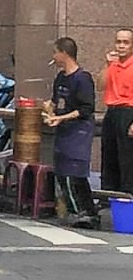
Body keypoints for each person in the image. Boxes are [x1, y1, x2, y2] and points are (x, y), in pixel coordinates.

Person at [43, 37, 99, 229]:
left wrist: (63, 117)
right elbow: (55, 102)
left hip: (79, 130)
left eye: (55, 52)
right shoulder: (60, 77)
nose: (54, 56)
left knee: (75, 172)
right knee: (61, 171)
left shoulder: (83, 78)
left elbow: (86, 109)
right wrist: (49, 111)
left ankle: (86, 212)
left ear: (64, 53)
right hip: (64, 130)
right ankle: (76, 210)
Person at [97, 28, 133, 195]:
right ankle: (108, 195)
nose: (121, 46)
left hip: (128, 112)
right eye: (118, 42)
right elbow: (100, 85)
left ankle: (127, 195)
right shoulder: (113, 64)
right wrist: (107, 65)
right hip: (112, 111)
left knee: (126, 159)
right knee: (109, 156)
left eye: (125, 43)